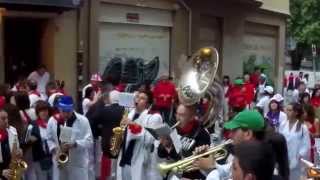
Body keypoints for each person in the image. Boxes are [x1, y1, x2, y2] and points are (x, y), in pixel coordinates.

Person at [117, 90, 164, 180]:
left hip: (140, 162)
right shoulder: (129, 113)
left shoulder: (154, 117)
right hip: (125, 159)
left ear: (148, 104)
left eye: (142, 98)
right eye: (137, 97)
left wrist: (133, 125)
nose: (138, 99)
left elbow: (150, 139)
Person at [158, 104, 210, 180]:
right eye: (177, 114)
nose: (178, 118)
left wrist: (170, 148)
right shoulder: (174, 129)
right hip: (171, 175)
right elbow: (161, 154)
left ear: (191, 117)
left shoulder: (201, 134)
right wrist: (164, 145)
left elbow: (194, 161)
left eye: (182, 115)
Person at [47, 96, 93, 180]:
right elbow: (49, 139)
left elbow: (89, 141)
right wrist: (55, 150)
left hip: (77, 164)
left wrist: (75, 144)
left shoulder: (83, 121)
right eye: (63, 111)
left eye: (68, 111)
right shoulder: (52, 121)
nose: (65, 114)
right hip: (59, 163)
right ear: (59, 109)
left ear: (73, 108)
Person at [89, 90, 124, 180]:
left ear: (110, 99)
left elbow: (92, 119)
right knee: (117, 165)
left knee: (106, 164)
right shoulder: (124, 110)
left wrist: (99, 130)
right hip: (120, 141)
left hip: (106, 141)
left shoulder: (104, 110)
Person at [279, 103, 310, 180]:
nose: (286, 112)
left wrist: (298, 156)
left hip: (296, 159)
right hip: (283, 158)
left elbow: (306, 145)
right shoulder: (283, 124)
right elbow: (279, 140)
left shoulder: (303, 127)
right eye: (286, 109)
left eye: (289, 110)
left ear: (296, 112)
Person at [26, 101, 53, 180]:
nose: (43, 113)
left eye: (45, 110)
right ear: (37, 113)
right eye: (41, 111)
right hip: (39, 159)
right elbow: (26, 140)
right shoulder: (32, 125)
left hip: (53, 157)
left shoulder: (53, 123)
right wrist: (30, 140)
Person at [0, 108, 22, 180]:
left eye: (7, 118)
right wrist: (1, 172)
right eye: (3, 119)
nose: (6, 121)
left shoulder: (12, 130)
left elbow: (17, 148)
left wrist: (19, 152)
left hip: (12, 167)